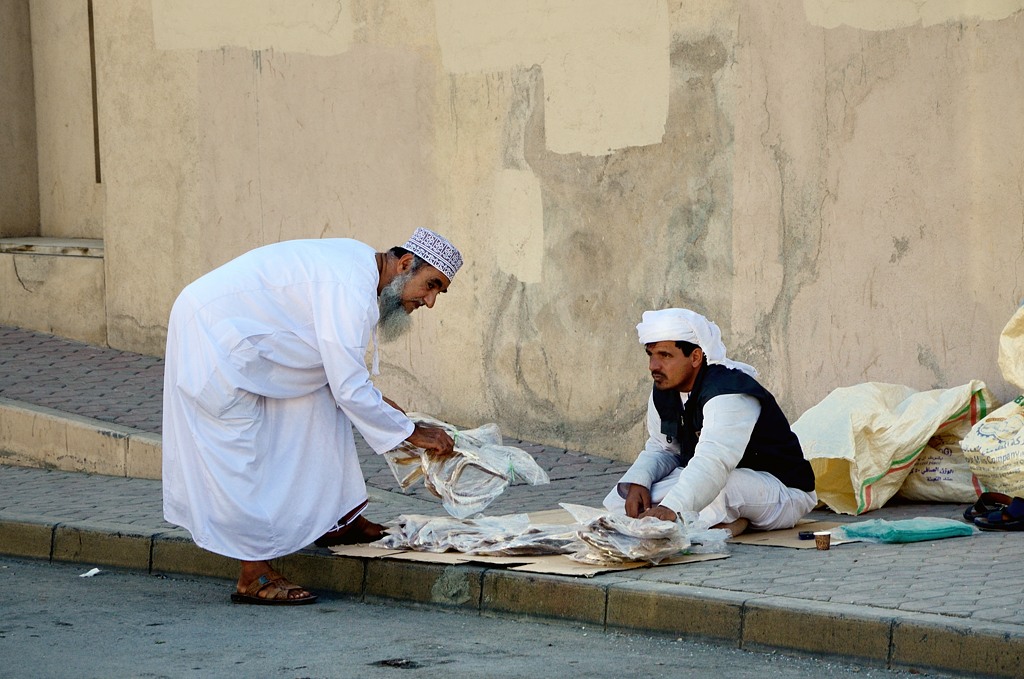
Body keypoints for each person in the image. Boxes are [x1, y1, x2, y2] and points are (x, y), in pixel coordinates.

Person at [162, 228, 463, 605]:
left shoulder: (361, 272)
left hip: (253, 344)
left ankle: (338, 520)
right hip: (213, 334)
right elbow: (350, 385)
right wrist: (411, 431)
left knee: (323, 406)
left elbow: (342, 374)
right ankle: (253, 574)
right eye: (430, 285)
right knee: (240, 451)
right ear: (404, 264)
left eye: (440, 292)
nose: (431, 301)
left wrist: (381, 406)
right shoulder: (351, 286)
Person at [603, 308, 816, 536]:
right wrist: (639, 482)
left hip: (782, 491)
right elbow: (663, 448)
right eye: (650, 355)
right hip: (722, 479)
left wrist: (671, 508)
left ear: (695, 357)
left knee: (719, 489)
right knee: (622, 499)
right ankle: (731, 523)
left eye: (665, 356)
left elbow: (713, 462)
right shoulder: (665, 389)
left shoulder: (729, 392)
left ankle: (696, 525)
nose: (653, 366)